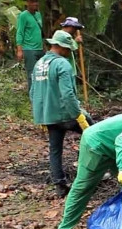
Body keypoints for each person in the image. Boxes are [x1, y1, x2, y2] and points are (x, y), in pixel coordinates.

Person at [30, 30, 92, 198]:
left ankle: (60, 185)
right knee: (96, 136)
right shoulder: (62, 64)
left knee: (55, 150)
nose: (69, 52)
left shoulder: (39, 64)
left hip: (48, 116)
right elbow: (68, 94)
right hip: (66, 114)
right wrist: (78, 114)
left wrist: (41, 116)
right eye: (68, 49)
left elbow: (33, 91)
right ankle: (96, 173)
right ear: (62, 47)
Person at [16, 0, 44, 92]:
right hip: (29, 49)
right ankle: (33, 95)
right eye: (32, 2)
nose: (35, 4)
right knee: (32, 74)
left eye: (36, 2)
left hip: (40, 49)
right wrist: (19, 50)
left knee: (42, 73)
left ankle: (40, 94)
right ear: (27, 3)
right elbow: (20, 32)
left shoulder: (38, 14)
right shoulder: (23, 15)